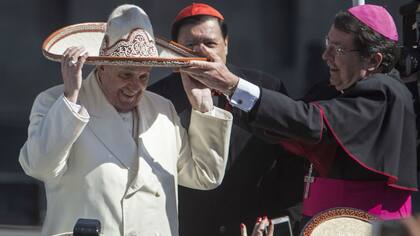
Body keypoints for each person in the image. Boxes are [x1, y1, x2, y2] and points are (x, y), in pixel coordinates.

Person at [180, 3, 418, 227]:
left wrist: (233, 85)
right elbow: (287, 125)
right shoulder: (334, 89)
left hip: (366, 225)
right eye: (328, 44)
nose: (326, 56)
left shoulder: (383, 93)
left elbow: (309, 122)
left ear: (373, 60)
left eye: (339, 49)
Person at [18, 4, 233, 236]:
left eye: (144, 76)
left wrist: (203, 108)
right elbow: (39, 166)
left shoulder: (163, 109)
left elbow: (205, 176)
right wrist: (70, 100)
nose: (135, 86)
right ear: (102, 66)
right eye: (125, 74)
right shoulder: (54, 102)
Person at [149, 3, 304, 236]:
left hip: (254, 226)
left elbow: (293, 162)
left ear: (226, 45)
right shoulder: (157, 99)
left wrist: (284, 221)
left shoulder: (265, 88)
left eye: (210, 43)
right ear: (174, 50)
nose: (201, 52)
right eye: (190, 45)